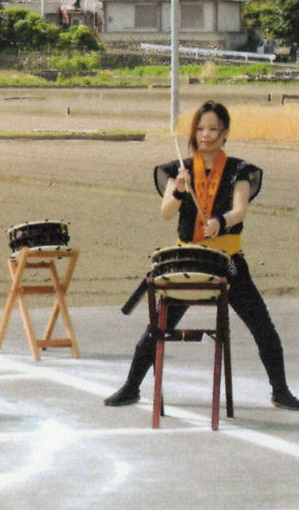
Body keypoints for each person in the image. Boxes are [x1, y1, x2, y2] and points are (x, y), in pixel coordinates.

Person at [105, 100, 299, 411]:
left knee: (261, 324)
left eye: (213, 129)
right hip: (188, 260)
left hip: (227, 261)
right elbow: (166, 212)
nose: (205, 134)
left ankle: (280, 390)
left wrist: (220, 221)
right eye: (200, 128)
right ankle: (131, 387)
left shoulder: (239, 170)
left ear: (225, 133)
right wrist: (179, 190)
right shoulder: (178, 170)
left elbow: (239, 210)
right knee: (158, 325)